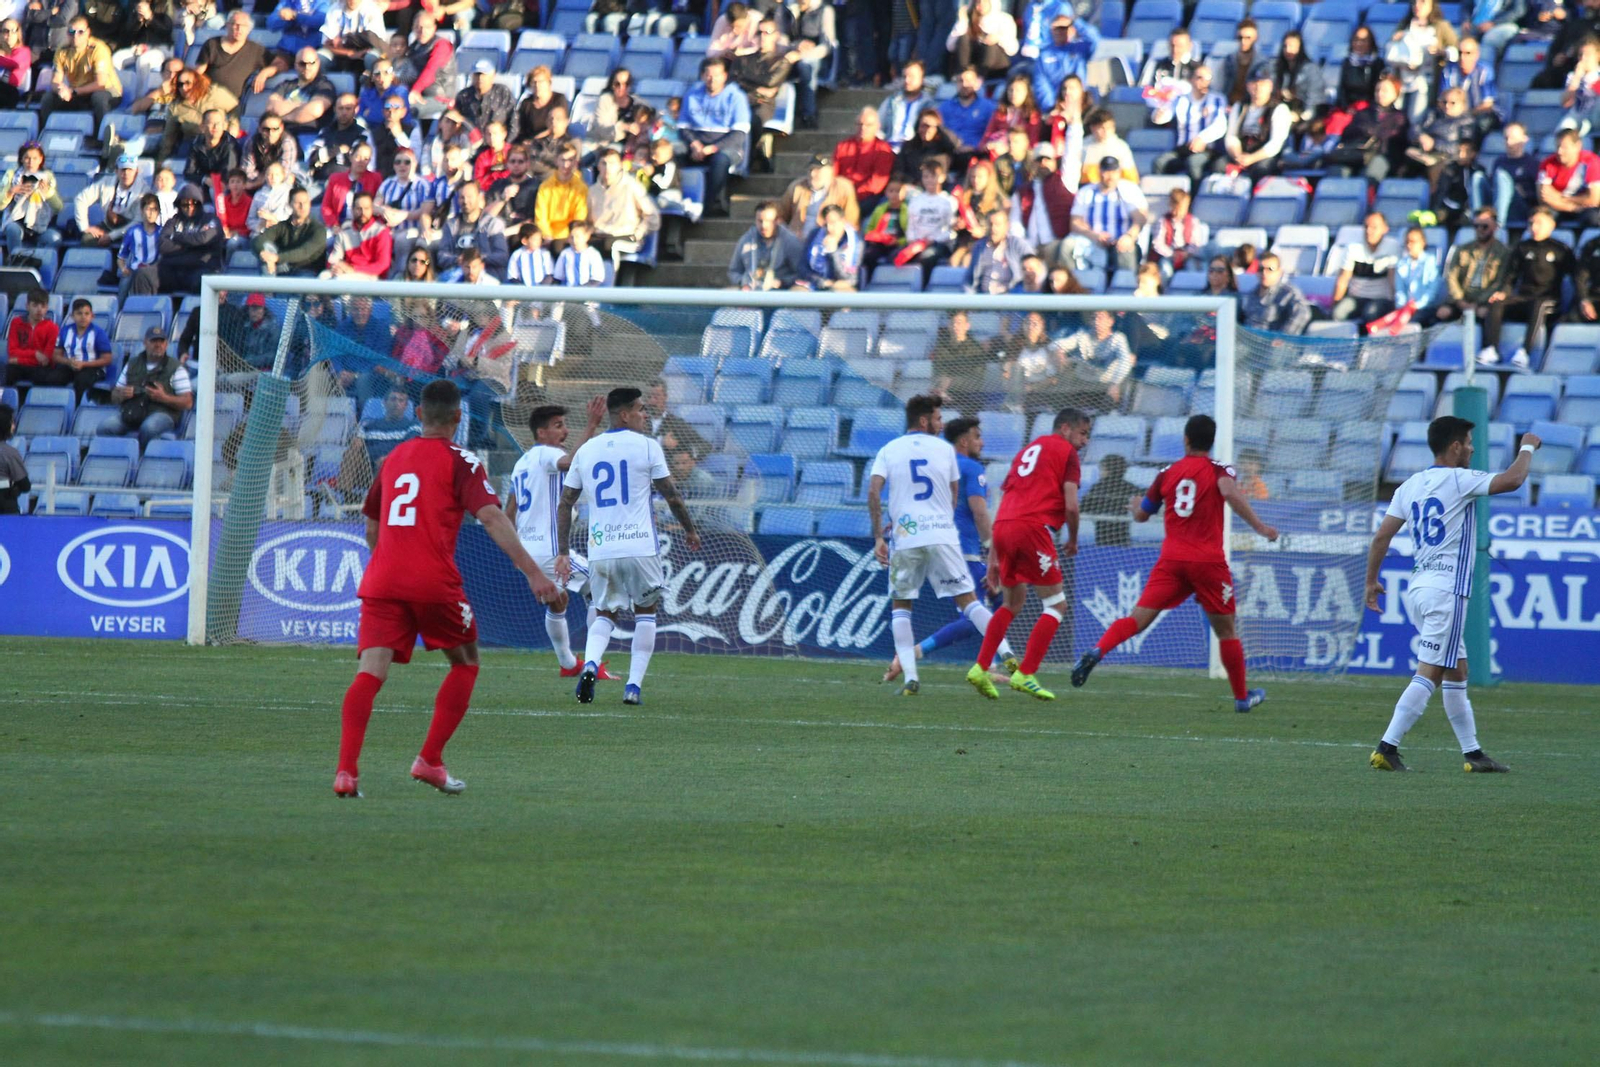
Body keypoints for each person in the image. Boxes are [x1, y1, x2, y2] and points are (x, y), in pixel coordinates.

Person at [336, 378, 559, 798]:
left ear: (419, 415)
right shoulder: (464, 461)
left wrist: (390, 561)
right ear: (458, 418)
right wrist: (533, 572)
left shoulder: (394, 457)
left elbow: (371, 525)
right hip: (432, 581)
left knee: (370, 672)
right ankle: (429, 760)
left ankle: (346, 772)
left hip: (382, 580)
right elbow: (493, 517)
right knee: (466, 661)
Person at [1362, 416, 1540, 773]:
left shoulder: (1410, 485)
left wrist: (1371, 582)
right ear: (1455, 446)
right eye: (1470, 442)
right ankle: (1386, 747)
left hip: (1419, 588)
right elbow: (1514, 479)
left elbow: (1381, 537)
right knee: (1430, 672)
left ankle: (1473, 754)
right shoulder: (1459, 480)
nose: (1473, 448)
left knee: (1457, 671)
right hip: (1447, 591)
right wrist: (1527, 446)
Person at [1072, 414, 1278, 711]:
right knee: (1226, 631)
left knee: (1136, 619)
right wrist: (1260, 527)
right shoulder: (1220, 470)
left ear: (1186, 439)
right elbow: (1230, 492)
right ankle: (1242, 697)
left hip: (1171, 561)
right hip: (1207, 562)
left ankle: (1097, 649)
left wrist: (1135, 505)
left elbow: (1142, 515)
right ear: (1212, 441)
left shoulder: (1167, 473)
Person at [554, 386, 702, 706]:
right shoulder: (648, 447)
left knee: (605, 612)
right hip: (640, 546)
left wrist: (564, 551)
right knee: (645, 612)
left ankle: (591, 663)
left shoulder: (587, 450)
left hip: (602, 549)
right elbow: (672, 495)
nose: (645, 415)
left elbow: (565, 503)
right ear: (624, 414)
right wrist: (690, 530)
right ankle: (633, 687)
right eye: (640, 409)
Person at [864, 395, 998, 697]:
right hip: (954, 544)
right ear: (924, 421)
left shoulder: (889, 449)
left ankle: (911, 675)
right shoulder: (949, 455)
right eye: (938, 418)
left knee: (902, 607)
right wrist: (989, 545)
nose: (941, 425)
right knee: (975, 606)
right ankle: (1006, 661)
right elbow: (968, 505)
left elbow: (875, 492)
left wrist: (879, 535)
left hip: (907, 537)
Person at [881, 414, 1019, 685]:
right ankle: (915, 653)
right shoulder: (970, 468)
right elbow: (980, 513)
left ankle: (987, 662)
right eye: (978, 436)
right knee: (976, 613)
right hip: (962, 549)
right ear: (964, 440)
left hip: (927, 542)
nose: (982, 442)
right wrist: (993, 551)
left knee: (999, 601)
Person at [965, 407, 1091, 700]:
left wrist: (994, 558)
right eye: (1083, 434)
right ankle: (1026, 673)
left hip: (1005, 526)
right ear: (1065, 429)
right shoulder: (1067, 453)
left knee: (1012, 603)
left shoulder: (1027, 451)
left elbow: (1007, 498)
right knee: (1056, 604)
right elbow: (1072, 505)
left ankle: (980, 668)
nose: (1084, 442)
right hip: (1032, 528)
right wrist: (1072, 540)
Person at [503, 397, 608, 677]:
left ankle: (567, 664)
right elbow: (571, 461)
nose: (565, 431)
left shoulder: (521, 463)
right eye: (559, 426)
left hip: (529, 552)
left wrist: (516, 554)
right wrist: (592, 425)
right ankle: (592, 664)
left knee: (558, 601)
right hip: (550, 551)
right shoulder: (545, 454)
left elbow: (508, 512)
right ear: (541, 433)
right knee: (601, 590)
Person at [1479, 207, 1574, 367]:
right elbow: (1511, 277)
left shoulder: (1560, 250)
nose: (1534, 227)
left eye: (1539, 223)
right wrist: (1503, 292)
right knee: (1496, 304)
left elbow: (1575, 276)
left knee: (1540, 305)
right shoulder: (1522, 248)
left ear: (1551, 225)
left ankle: (1525, 352)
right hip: (1524, 297)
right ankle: (1492, 349)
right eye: (1531, 223)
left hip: (1548, 300)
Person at [97, 325, 192, 446]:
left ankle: (141, 459)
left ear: (166, 344)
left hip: (162, 413)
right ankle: (119, 459)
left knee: (149, 428)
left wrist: (163, 397)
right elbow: (115, 395)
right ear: (145, 343)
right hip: (132, 412)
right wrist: (121, 395)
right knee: (104, 428)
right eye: (153, 341)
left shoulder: (176, 368)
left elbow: (187, 402)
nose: (158, 345)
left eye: (161, 341)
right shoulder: (132, 364)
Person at [682, 57, 752, 218]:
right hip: (697, 146)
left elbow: (739, 135)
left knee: (720, 160)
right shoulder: (692, 94)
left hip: (727, 148)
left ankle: (713, 205)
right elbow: (683, 127)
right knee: (671, 152)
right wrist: (694, 144)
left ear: (725, 76)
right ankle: (676, 200)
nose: (711, 79)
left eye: (717, 75)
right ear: (702, 75)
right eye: (708, 74)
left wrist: (712, 148)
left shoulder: (736, 97)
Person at [40, 16, 120, 138]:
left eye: (80, 32)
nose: (75, 36)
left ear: (88, 32)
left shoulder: (99, 49)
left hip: (107, 91)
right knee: (48, 98)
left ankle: (103, 138)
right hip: (78, 92)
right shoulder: (62, 51)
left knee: (98, 98)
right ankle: (44, 136)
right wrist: (60, 89)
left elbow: (100, 83)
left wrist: (73, 92)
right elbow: (55, 81)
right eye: (71, 32)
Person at [1068, 156, 1148, 273]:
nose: (1110, 176)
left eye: (1114, 171)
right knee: (1066, 247)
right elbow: (1075, 222)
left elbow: (1140, 218)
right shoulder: (1086, 192)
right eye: (1106, 171)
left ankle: (1123, 288)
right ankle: (1073, 287)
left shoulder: (1129, 190)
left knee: (1126, 251)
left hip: (1121, 240)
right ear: (1099, 172)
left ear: (1119, 172)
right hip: (1092, 240)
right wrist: (1094, 235)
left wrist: (1129, 236)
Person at [1153, 66, 1229, 186]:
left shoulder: (1217, 99)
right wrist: (1160, 112)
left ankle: (1193, 201)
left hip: (1207, 151)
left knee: (1194, 163)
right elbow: (1163, 117)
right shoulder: (1180, 99)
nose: (1205, 82)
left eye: (1208, 78)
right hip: (1182, 150)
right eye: (1200, 78)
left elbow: (1220, 125)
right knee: (1160, 162)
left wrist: (1202, 138)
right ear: (1191, 80)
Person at [196, 10, 288, 103]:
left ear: (248, 29)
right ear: (227, 25)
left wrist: (265, 73)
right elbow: (198, 73)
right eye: (235, 24)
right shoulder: (212, 44)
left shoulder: (256, 50)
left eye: (243, 26)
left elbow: (282, 64)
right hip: (207, 97)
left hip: (231, 103)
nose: (239, 29)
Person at [1437, 206, 1510, 324]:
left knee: (1485, 313)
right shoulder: (1462, 249)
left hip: (1485, 300)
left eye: (1485, 226)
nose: (1480, 229)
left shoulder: (1503, 253)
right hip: (1462, 298)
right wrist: (1460, 300)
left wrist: (1478, 303)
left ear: (1495, 227)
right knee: (1442, 313)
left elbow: (1499, 282)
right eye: (1476, 226)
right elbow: (1451, 276)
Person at [1333, 212, 1401, 326]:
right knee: (1338, 314)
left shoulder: (1392, 246)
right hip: (1356, 298)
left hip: (1381, 299)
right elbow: (1343, 280)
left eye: (1374, 227)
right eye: (1366, 227)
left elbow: (1392, 279)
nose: (1369, 231)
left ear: (1385, 229)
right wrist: (1335, 303)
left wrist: (1396, 306)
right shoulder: (1353, 248)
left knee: (1370, 314)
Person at [728, 200, 804, 290]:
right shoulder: (746, 240)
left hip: (781, 292)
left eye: (768, 221)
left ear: (777, 221)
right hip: (750, 291)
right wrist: (742, 282)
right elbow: (733, 271)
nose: (763, 225)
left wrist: (782, 282)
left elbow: (801, 273)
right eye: (760, 221)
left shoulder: (790, 241)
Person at [778, 153, 860, 236]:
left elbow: (851, 220)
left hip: (827, 240)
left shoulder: (843, 188)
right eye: (810, 170)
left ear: (830, 171)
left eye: (818, 170)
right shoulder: (797, 187)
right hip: (797, 238)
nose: (813, 174)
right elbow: (781, 213)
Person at [254, 186, 327, 277]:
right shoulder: (282, 226)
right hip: (284, 268)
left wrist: (276, 258)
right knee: (265, 249)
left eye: (305, 202)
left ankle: (267, 288)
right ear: (290, 204)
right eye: (298, 203)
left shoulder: (318, 229)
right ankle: (267, 289)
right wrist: (263, 254)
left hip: (308, 271)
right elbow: (258, 240)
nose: (302, 206)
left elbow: (304, 252)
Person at [1031, 12, 1098, 110]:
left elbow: (1095, 40)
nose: (1059, 31)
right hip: (1055, 107)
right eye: (1056, 28)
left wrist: (1076, 21)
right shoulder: (1044, 55)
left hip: (1081, 105)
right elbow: (1041, 84)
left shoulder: (1079, 49)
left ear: (1071, 29)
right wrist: (1052, 108)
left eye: (1063, 28)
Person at [1538, 127, 1600, 228]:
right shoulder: (1547, 163)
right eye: (1557, 146)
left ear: (1577, 146)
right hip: (1559, 208)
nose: (1559, 151)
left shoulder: (1591, 162)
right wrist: (1571, 207)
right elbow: (1543, 197)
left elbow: (1594, 199)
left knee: (1593, 218)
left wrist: (1561, 197)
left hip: (1585, 209)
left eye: (1564, 147)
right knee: (1543, 218)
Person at [50, 297, 113, 397]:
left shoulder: (99, 333)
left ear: (92, 316)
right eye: (79, 313)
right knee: (52, 378)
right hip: (70, 366)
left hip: (93, 368)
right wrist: (68, 362)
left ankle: (78, 408)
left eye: (86, 314)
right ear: (72, 316)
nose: (83, 317)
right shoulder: (64, 331)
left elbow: (107, 359)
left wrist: (83, 364)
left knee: (81, 381)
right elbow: (55, 355)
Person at [534, 140, 590, 252]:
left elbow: (579, 218)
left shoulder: (581, 188)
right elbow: (540, 217)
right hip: (548, 235)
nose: (566, 165)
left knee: (557, 247)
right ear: (556, 161)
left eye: (570, 160)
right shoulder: (545, 186)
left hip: (570, 236)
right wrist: (547, 235)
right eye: (563, 160)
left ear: (576, 162)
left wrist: (569, 236)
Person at [267, 48, 337, 135]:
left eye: (311, 63)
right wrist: (302, 105)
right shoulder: (285, 85)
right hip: (280, 134)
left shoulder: (324, 86)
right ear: (295, 65)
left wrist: (282, 117)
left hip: (309, 135)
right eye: (302, 64)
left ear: (318, 63)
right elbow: (271, 108)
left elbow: (315, 110)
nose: (307, 67)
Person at [1240, 253, 1312, 335]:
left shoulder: (1288, 294)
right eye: (1260, 269)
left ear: (1279, 272)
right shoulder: (1250, 295)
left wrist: (1283, 336)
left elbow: (1303, 313)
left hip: (1272, 345)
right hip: (1247, 343)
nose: (1264, 273)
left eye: (1270, 269)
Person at [326, 192, 392, 279]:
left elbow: (383, 265)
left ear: (372, 209)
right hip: (346, 272)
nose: (363, 212)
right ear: (352, 210)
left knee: (340, 280)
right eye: (358, 208)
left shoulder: (381, 232)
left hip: (370, 276)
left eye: (366, 208)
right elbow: (333, 260)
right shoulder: (344, 233)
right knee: (323, 277)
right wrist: (336, 267)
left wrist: (353, 269)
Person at [1080, 452, 1140, 547]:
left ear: (1107, 470)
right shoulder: (1130, 487)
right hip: (1122, 532)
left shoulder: (1097, 487)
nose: (1100, 472)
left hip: (1102, 531)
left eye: (1102, 469)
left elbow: (1083, 508)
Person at [798, 203, 863, 291]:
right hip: (816, 283)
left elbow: (850, 278)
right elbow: (803, 267)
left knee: (840, 293)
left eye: (833, 223)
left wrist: (833, 252)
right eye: (826, 224)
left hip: (843, 286)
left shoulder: (856, 242)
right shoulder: (814, 235)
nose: (829, 228)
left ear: (843, 221)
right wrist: (820, 281)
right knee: (797, 292)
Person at [1147, 187, 1209, 274]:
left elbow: (1196, 243)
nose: (1177, 212)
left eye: (1180, 209)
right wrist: (1171, 254)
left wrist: (1186, 253)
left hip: (1187, 256)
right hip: (1169, 255)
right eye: (1174, 208)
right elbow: (1157, 243)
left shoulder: (1193, 222)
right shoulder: (1163, 221)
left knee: (1192, 269)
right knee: (1165, 270)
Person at [4, 288, 58, 388]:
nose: (39, 309)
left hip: (39, 368)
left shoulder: (52, 328)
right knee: (7, 370)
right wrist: (35, 353)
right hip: (20, 366)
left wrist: (19, 360)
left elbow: (46, 360)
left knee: (44, 375)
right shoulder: (16, 323)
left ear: (47, 308)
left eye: (43, 306)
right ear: (27, 306)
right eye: (35, 305)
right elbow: (12, 351)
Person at [879, 59, 936, 148]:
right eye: (905, 76)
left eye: (912, 77)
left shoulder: (930, 105)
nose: (907, 80)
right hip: (889, 149)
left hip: (915, 151)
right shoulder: (891, 101)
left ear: (922, 79)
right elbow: (878, 126)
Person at [645, 379, 709, 460]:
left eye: (656, 396)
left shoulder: (676, 424)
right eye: (648, 397)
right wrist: (661, 441)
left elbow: (705, 446)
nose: (652, 401)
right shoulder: (636, 419)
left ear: (665, 397)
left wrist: (685, 452)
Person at [1492, 121, 1540, 227]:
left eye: (1513, 138)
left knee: (1502, 177)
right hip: (1497, 202)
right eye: (1506, 138)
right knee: (1478, 178)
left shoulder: (1533, 164)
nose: (1509, 142)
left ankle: (1497, 227)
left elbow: (1537, 197)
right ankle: (1478, 221)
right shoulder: (1499, 162)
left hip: (1521, 207)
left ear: (1524, 139)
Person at [0, 402, 28, 513]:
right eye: (12, 422)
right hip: (4, 505)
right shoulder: (10, 453)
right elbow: (25, 485)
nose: (14, 426)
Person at [0, 19, 33, 110]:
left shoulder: (24, 51)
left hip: (11, 91)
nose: (10, 35)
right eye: (6, 31)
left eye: (13, 31)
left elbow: (15, 63)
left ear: (18, 34)